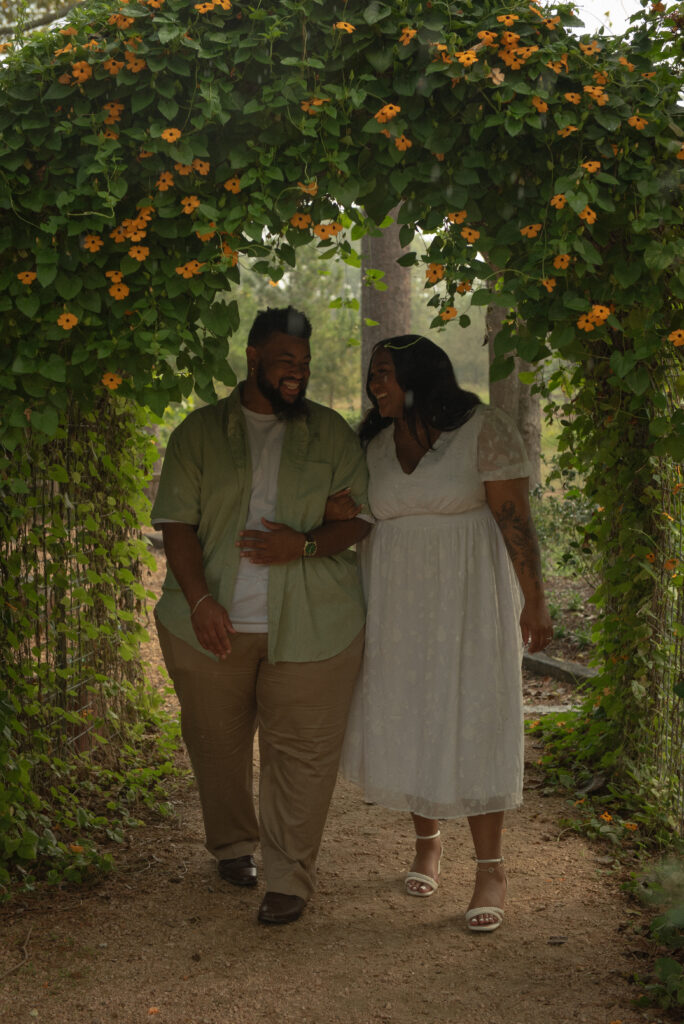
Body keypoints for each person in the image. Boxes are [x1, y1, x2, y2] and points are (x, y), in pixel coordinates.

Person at [151, 306, 371, 925]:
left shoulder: (331, 434)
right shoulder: (198, 433)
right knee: (217, 746)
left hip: (317, 624)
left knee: (301, 753)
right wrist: (199, 601)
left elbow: (359, 518)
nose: (296, 373)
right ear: (253, 358)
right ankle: (231, 846)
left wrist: (300, 543)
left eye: (302, 363)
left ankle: (289, 878)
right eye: (284, 361)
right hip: (209, 626)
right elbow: (177, 524)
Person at [337, 335, 553, 933]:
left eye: (383, 373)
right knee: (411, 712)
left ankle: (490, 869)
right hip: (397, 602)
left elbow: (516, 522)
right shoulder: (374, 443)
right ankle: (427, 842)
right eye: (372, 374)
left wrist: (534, 599)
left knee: (476, 714)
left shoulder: (483, 429)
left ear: (417, 375)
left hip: (469, 598)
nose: (373, 384)